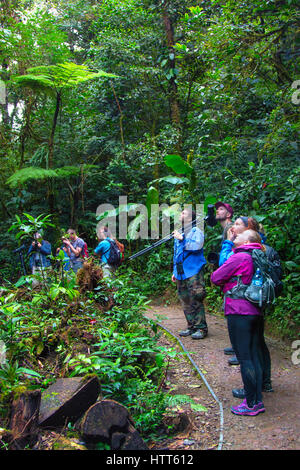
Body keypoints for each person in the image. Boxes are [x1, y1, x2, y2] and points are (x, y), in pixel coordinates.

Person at [211, 230, 266, 416]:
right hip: (254, 310)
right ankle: (256, 398)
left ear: (249, 240)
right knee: (253, 355)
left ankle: (251, 404)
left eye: (241, 235)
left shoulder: (240, 256)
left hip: (239, 310)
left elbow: (216, 277)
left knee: (245, 358)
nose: (237, 236)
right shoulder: (258, 254)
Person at [172, 208, 208, 340]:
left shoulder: (195, 231)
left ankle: (201, 328)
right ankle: (191, 325)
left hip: (193, 270)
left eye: (183, 213)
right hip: (181, 271)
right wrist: (174, 271)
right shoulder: (179, 232)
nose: (180, 214)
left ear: (189, 217)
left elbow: (197, 246)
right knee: (184, 299)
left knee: (196, 297)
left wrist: (182, 239)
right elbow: (176, 253)